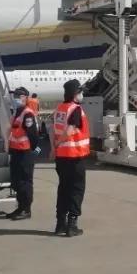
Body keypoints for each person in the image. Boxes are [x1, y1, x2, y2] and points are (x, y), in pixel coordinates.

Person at [52, 79, 89, 237]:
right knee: (76, 190)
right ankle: (72, 224)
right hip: (75, 156)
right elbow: (69, 131)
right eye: (80, 92)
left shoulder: (59, 108)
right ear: (75, 94)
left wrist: (54, 148)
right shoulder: (76, 109)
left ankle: (60, 223)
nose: (82, 94)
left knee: (63, 189)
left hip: (61, 157)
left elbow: (53, 130)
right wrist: (59, 142)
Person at [6, 87, 40, 220]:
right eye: (15, 96)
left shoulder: (27, 114)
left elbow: (33, 135)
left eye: (18, 96)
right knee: (16, 181)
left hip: (25, 153)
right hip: (16, 152)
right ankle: (20, 207)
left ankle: (26, 209)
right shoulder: (17, 112)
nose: (15, 99)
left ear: (25, 98)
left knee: (25, 182)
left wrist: (33, 151)